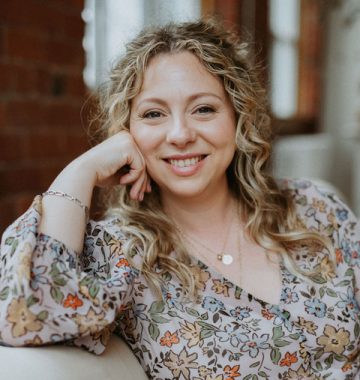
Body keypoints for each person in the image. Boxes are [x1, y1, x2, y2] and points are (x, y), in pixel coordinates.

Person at [0, 18, 359, 380]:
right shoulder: (122, 254)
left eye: (203, 108)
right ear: (127, 131)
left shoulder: (313, 206)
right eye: (153, 114)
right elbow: (25, 314)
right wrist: (81, 171)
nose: (180, 134)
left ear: (238, 116)